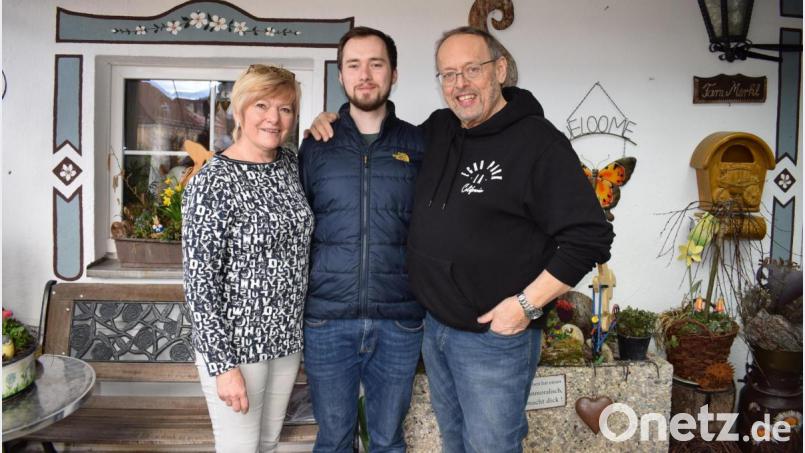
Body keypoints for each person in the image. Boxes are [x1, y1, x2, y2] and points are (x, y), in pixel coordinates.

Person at [308, 26, 614, 452]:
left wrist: (525, 306)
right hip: (437, 331)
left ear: (500, 69)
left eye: (472, 69)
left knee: (490, 446)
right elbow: (375, 146)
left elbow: (590, 238)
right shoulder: (438, 131)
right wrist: (329, 120)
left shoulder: (539, 143)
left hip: (495, 338)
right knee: (455, 442)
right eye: (448, 74)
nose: (460, 84)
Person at [297, 27, 426, 453]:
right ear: (340, 76)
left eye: (376, 63)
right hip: (327, 318)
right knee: (333, 439)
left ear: (394, 73)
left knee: (388, 440)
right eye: (353, 64)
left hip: (400, 317)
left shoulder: (420, 144)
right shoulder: (315, 146)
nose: (365, 74)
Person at [182, 64, 314, 453]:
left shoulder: (290, 165)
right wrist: (223, 367)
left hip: (287, 341)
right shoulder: (213, 181)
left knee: (269, 445)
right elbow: (199, 283)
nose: (274, 118)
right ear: (239, 111)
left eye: (286, 108)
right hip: (238, 348)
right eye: (262, 105)